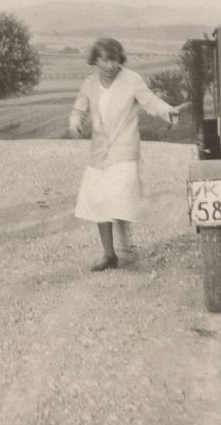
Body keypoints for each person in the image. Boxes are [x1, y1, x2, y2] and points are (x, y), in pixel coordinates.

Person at [68, 37, 190, 271]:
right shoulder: (89, 84)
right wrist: (74, 123)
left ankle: (125, 248)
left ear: (119, 59)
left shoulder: (132, 80)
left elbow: (150, 101)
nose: (109, 66)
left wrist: (169, 110)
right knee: (99, 200)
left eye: (113, 60)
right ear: (95, 60)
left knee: (120, 196)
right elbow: (78, 109)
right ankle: (108, 254)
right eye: (104, 60)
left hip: (124, 147)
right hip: (99, 151)